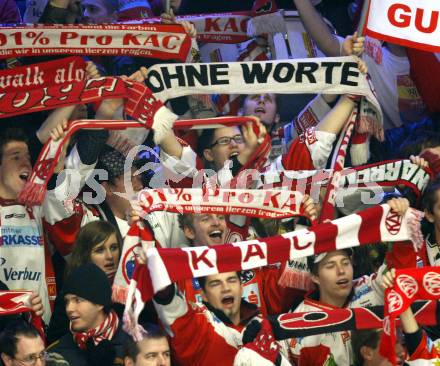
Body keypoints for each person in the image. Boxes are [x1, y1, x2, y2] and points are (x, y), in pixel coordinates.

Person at [153, 271, 260, 366]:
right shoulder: (199, 323)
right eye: (216, 284)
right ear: (203, 294)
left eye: (231, 280)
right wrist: (163, 288)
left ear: (241, 288)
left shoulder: (262, 322)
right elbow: (175, 312)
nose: (226, 288)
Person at [47, 221, 122, 344]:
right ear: (85, 255)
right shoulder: (70, 293)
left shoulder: (130, 288)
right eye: (100, 250)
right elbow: (56, 343)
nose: (109, 256)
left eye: (114, 248)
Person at [48, 263, 130, 366]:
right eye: (67, 301)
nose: (69, 308)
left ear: (100, 303)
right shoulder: (56, 355)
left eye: (77, 300)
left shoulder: (134, 342)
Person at [0, 320, 68, 366]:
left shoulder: (54, 360)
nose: (40, 364)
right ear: (8, 360)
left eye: (42, 353)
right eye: (30, 358)